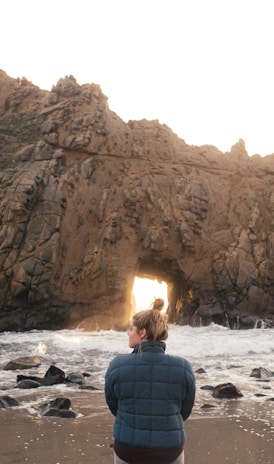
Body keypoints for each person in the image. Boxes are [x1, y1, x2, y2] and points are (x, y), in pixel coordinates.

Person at [105, 300, 196, 464]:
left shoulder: (117, 365)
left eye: (130, 328)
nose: (128, 333)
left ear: (142, 333)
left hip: (128, 450)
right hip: (169, 450)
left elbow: (114, 406)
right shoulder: (183, 367)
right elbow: (185, 411)